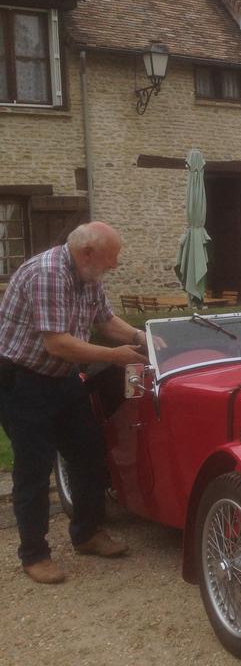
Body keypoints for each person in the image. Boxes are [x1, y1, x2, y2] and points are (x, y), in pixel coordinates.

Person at [0, 222, 149, 584]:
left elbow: (105, 320)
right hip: (22, 380)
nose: (114, 265)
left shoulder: (88, 275)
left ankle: (86, 533)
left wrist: (146, 337)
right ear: (87, 253)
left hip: (62, 377)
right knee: (33, 466)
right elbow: (58, 343)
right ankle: (34, 554)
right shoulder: (49, 273)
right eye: (111, 258)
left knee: (88, 451)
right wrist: (116, 357)